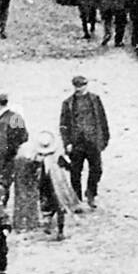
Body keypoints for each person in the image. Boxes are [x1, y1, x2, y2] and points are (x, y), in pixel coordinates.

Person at [59, 75, 110, 209]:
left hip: (93, 141)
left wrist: (104, 138)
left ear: (86, 86)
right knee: (75, 171)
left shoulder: (95, 99)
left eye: (81, 86)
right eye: (76, 86)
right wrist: (67, 143)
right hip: (77, 143)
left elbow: (102, 119)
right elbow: (63, 125)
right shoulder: (68, 103)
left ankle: (91, 194)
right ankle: (76, 199)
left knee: (97, 169)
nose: (79, 89)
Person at [0, 92, 27, 203]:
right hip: (14, 155)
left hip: (3, 158)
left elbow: (1, 143)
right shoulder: (16, 117)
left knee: (1, 184)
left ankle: (0, 208)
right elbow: (25, 136)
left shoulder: (2, 121)